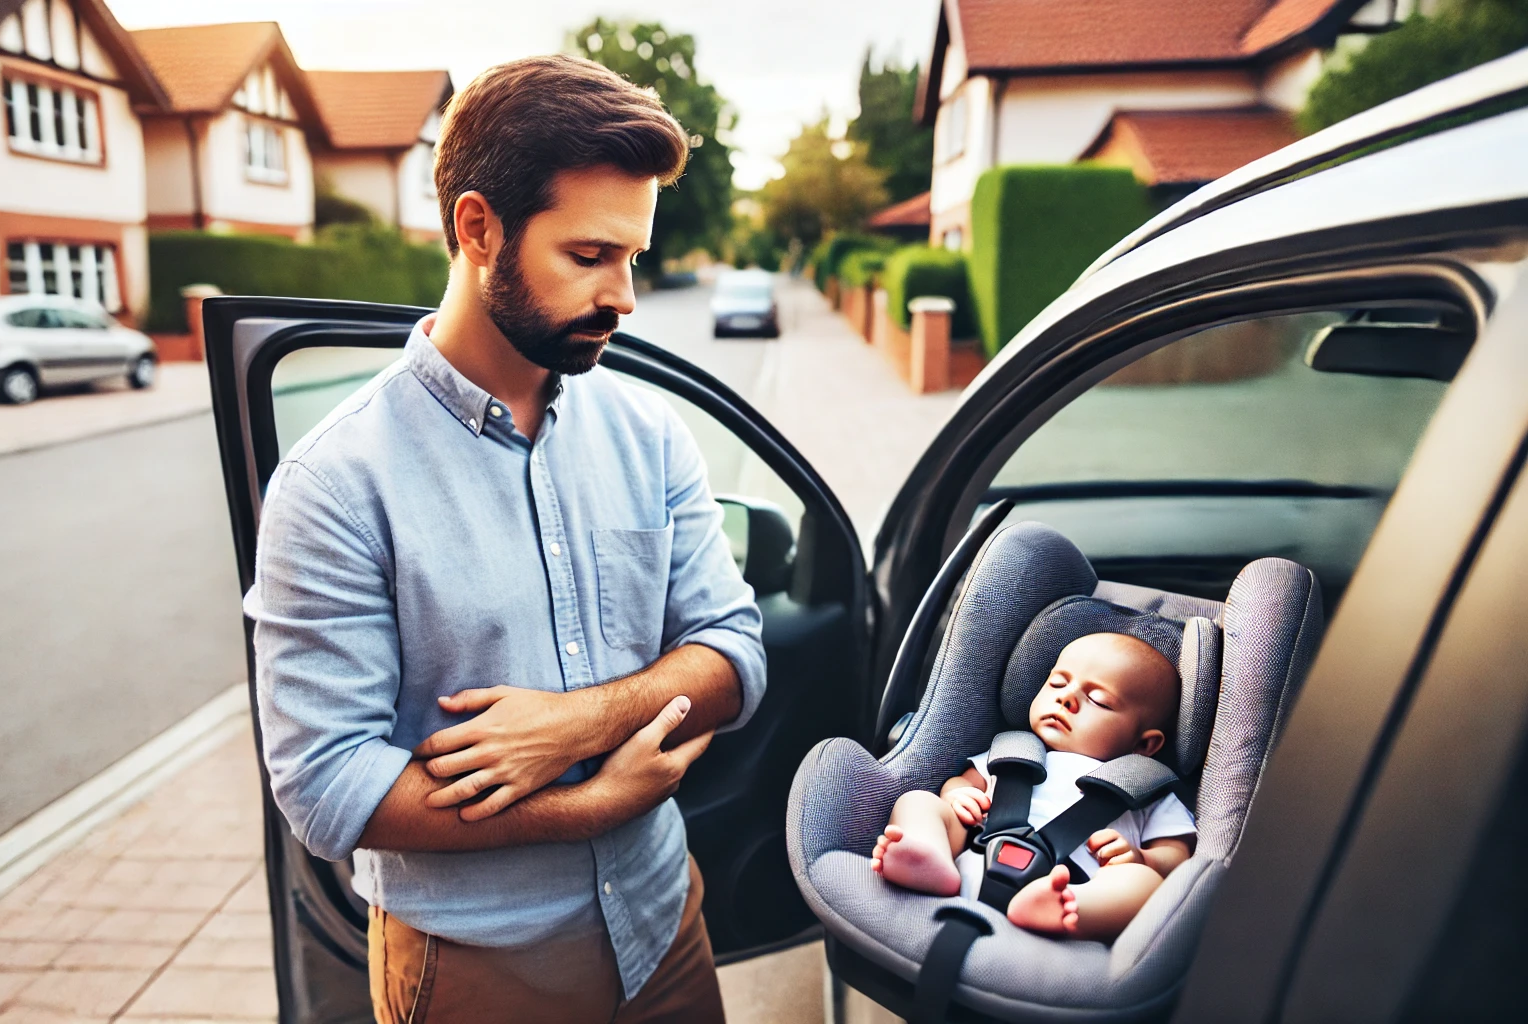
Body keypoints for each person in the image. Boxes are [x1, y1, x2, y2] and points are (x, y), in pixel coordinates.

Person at [243, 54, 766, 1024]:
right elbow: (325, 786)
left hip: (664, 923)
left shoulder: (648, 436)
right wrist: (591, 804)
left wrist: (579, 722)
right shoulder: (334, 482)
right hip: (476, 972)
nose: (625, 297)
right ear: (477, 227)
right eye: (588, 256)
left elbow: (733, 651)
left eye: (632, 258)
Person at [870, 632, 1195, 941]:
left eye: (1099, 701)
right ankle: (929, 857)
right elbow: (959, 785)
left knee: (1146, 884)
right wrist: (957, 795)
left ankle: (1071, 909)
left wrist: (1143, 859)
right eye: (1057, 683)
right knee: (919, 802)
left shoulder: (1150, 791)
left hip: (1077, 880)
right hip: (977, 850)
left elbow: (1177, 856)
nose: (1066, 698)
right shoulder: (1013, 752)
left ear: (1144, 744)